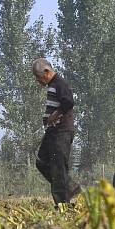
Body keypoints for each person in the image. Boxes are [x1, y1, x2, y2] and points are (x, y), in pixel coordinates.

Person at [32, 57, 76, 205]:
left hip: (62, 132)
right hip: (52, 133)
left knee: (58, 168)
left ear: (46, 71)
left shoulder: (60, 83)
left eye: (39, 78)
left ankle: (63, 204)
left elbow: (69, 102)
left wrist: (55, 115)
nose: (38, 81)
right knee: (41, 161)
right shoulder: (52, 85)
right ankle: (70, 186)